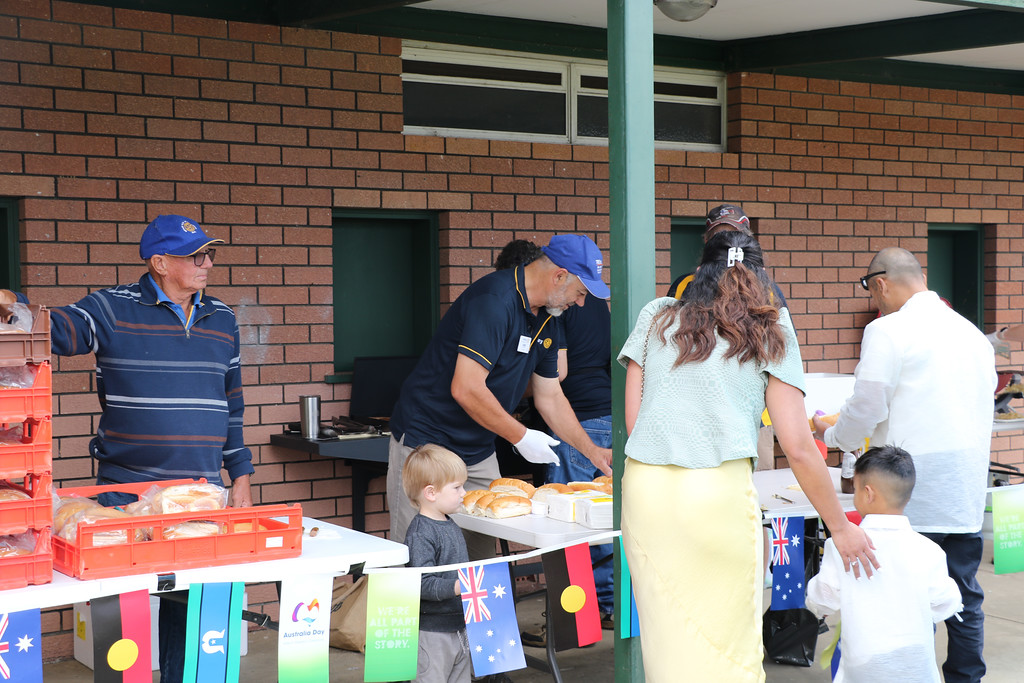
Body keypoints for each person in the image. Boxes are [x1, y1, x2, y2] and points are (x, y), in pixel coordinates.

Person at [0, 214, 254, 683]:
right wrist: (14, 307)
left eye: (210, 253)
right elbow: (60, 330)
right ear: (159, 262)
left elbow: (231, 401)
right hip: (123, 493)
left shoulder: (222, 317)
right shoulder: (112, 307)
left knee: (194, 612)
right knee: (125, 617)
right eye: (196, 255)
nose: (208, 263)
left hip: (199, 493)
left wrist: (240, 478)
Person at [618, 230, 875, 682]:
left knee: (667, 635)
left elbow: (635, 421)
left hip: (647, 489)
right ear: (760, 277)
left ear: (700, 271)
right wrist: (840, 528)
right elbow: (797, 445)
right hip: (716, 491)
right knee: (728, 634)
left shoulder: (656, 316)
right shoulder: (773, 328)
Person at [814, 246, 996, 683]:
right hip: (965, 484)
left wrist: (832, 434)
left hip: (909, 485)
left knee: (900, 597)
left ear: (879, 284)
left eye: (872, 292)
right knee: (962, 593)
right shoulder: (971, 332)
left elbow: (867, 404)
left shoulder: (888, 330)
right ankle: (965, 677)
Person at [387, 234, 613, 560]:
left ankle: (475, 613)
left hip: (478, 448)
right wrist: (521, 436)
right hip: (428, 441)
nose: (579, 303)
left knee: (482, 560)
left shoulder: (550, 316)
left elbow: (550, 395)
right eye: (580, 293)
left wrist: (591, 451)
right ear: (559, 276)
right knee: (416, 562)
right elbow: (466, 387)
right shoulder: (495, 299)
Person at [806, 445, 962, 682]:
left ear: (868, 493)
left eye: (855, 489)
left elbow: (822, 600)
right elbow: (946, 603)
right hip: (917, 668)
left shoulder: (841, 547)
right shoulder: (930, 551)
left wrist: (818, 605)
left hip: (863, 668)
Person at [546, 292, 614, 627]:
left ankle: (574, 619)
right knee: (601, 515)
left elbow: (557, 372)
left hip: (576, 421)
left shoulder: (558, 306)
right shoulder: (599, 301)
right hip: (608, 415)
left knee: (567, 522)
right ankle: (608, 605)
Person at [403, 444, 471, 683]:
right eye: (457, 487)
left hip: (458, 624)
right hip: (432, 631)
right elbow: (420, 583)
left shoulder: (449, 523)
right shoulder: (421, 533)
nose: (464, 493)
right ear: (431, 493)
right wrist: (456, 587)